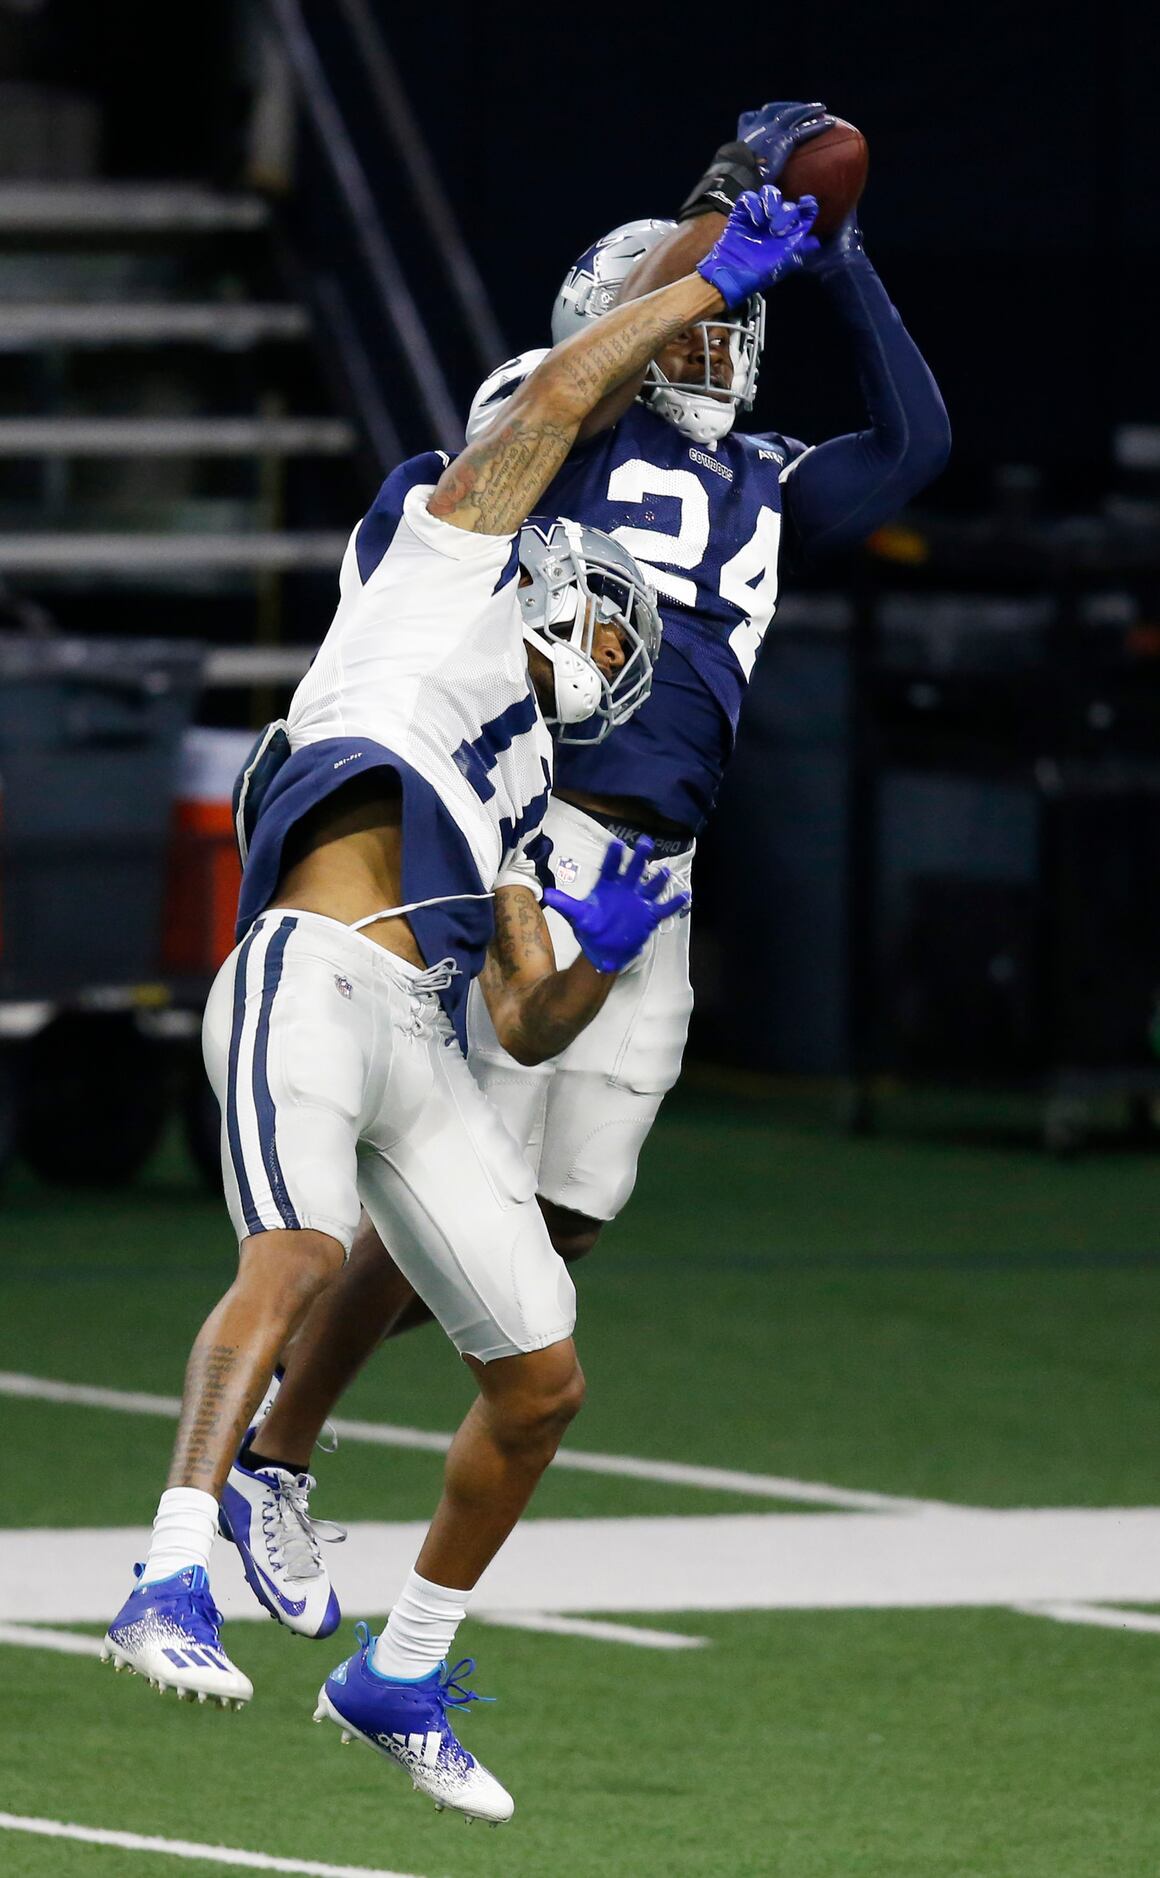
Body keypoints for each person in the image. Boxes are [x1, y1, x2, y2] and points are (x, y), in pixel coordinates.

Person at [101, 180, 824, 1827]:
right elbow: (566, 396)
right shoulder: (436, 563)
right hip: (306, 973)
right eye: (590, 607)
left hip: (423, 1028)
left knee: (546, 1376)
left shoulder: (518, 761)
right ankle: (168, 1570)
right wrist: (706, 263)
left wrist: (598, 942)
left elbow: (528, 1013)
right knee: (287, 1256)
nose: (601, 629)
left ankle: (404, 1668)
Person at [223, 102, 952, 1528]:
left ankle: (292, 1397)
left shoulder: (769, 482)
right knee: (469, 1175)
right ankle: (275, 1448)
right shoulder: (560, 425)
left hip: (659, 876)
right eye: (689, 321)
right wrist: (722, 210)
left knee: (560, 1222)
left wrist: (842, 261)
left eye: (733, 321)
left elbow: (915, 442)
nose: (717, 341)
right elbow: (591, 368)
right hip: (532, 835)